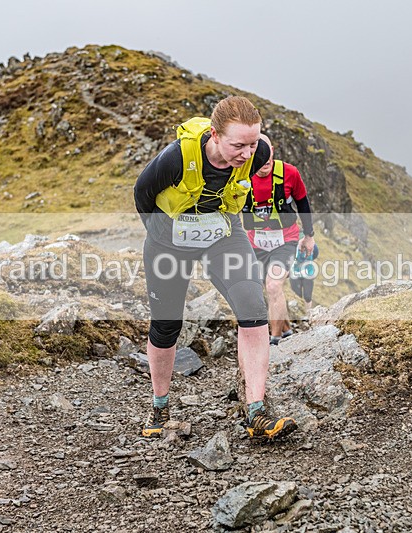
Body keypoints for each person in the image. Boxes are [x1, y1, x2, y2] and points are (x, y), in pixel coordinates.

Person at [133, 96, 297, 441]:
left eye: (252, 144)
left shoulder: (258, 154)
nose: (247, 154)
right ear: (215, 135)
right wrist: (164, 236)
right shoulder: (176, 157)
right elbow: (142, 194)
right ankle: (160, 408)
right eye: (238, 145)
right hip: (169, 240)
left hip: (222, 235)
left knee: (253, 308)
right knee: (166, 325)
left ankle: (257, 412)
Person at [242, 134, 316, 345]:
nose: (265, 159)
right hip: (255, 244)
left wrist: (309, 236)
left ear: (273, 150)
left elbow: (303, 204)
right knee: (260, 289)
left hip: (286, 241)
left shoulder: (289, 173)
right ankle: (286, 330)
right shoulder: (241, 175)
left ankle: (274, 341)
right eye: (259, 153)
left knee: (274, 286)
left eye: (268, 153)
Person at [289, 237, 319, 313]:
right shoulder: (293, 245)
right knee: (297, 295)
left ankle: (307, 314)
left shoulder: (313, 246)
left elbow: (315, 254)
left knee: (307, 296)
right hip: (295, 274)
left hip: (308, 274)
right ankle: (298, 313)